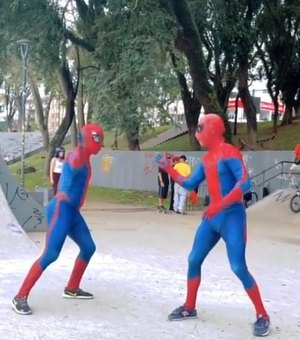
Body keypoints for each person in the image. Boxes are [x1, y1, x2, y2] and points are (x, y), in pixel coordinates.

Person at [156, 113, 270, 337]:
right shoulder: (208, 159)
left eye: (200, 128)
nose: (197, 133)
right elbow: (189, 183)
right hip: (213, 218)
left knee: (238, 267)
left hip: (232, 217)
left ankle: (262, 314)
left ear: (211, 130)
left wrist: (219, 206)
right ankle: (189, 306)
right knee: (193, 259)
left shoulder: (228, 152)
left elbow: (244, 182)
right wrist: (168, 169)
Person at [12, 123, 104, 315]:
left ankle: (72, 288)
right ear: (88, 141)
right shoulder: (77, 156)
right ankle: (20, 296)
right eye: (99, 141)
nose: (101, 145)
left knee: (89, 247)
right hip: (60, 210)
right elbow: (75, 158)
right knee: (51, 254)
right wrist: (83, 144)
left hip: (72, 212)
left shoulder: (86, 160)